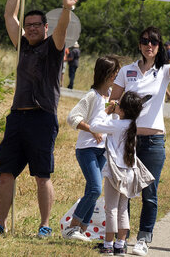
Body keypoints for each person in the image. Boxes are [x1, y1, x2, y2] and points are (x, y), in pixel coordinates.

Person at [0, 0, 84, 238]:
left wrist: (66, 9)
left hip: (42, 117)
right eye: (28, 25)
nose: (31, 29)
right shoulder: (22, 46)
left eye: (36, 25)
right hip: (17, 117)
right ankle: (1, 225)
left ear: (46, 28)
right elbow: (10, 14)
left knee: (42, 175)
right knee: (6, 173)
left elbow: (62, 29)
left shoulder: (54, 47)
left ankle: (44, 225)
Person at [109, 16, 170, 256]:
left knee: (149, 192)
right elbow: (112, 101)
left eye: (154, 42)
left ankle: (144, 239)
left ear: (159, 46)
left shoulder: (163, 72)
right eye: (145, 41)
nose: (149, 45)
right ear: (139, 45)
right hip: (129, 139)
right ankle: (121, 239)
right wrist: (118, 115)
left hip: (154, 141)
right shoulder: (127, 71)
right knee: (125, 190)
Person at [62, 55, 121, 242]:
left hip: (103, 150)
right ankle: (72, 228)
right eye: (116, 73)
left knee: (93, 190)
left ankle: (81, 229)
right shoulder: (92, 96)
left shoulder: (112, 96)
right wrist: (92, 130)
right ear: (108, 74)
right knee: (95, 188)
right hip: (87, 149)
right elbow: (73, 118)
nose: (118, 76)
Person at [90, 91, 155, 256]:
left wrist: (105, 112)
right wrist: (115, 113)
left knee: (111, 208)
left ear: (123, 109)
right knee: (123, 208)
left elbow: (94, 126)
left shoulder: (117, 125)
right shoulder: (131, 124)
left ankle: (108, 244)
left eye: (119, 104)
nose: (116, 104)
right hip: (129, 173)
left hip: (115, 173)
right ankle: (120, 244)